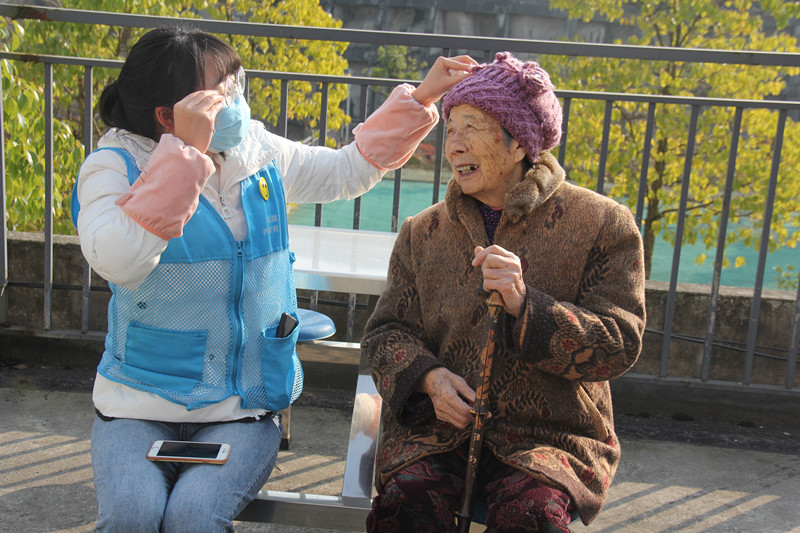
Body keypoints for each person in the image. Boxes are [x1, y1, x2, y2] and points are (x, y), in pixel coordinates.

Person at [72, 26, 476, 532]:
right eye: (221, 91)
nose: (236, 99)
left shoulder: (255, 153)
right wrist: (185, 161)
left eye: (236, 84)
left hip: (243, 405)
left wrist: (421, 97)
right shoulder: (112, 167)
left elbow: (344, 170)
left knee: (193, 520)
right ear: (166, 116)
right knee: (133, 517)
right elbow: (119, 261)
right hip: (135, 406)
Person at [362, 52, 646, 532]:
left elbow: (619, 344)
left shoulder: (602, 224)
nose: (454, 144)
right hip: (437, 432)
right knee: (406, 502)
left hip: (550, 437)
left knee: (532, 514)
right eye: (450, 129)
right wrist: (429, 380)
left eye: (472, 127)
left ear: (520, 144)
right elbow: (385, 334)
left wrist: (526, 305)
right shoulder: (422, 231)